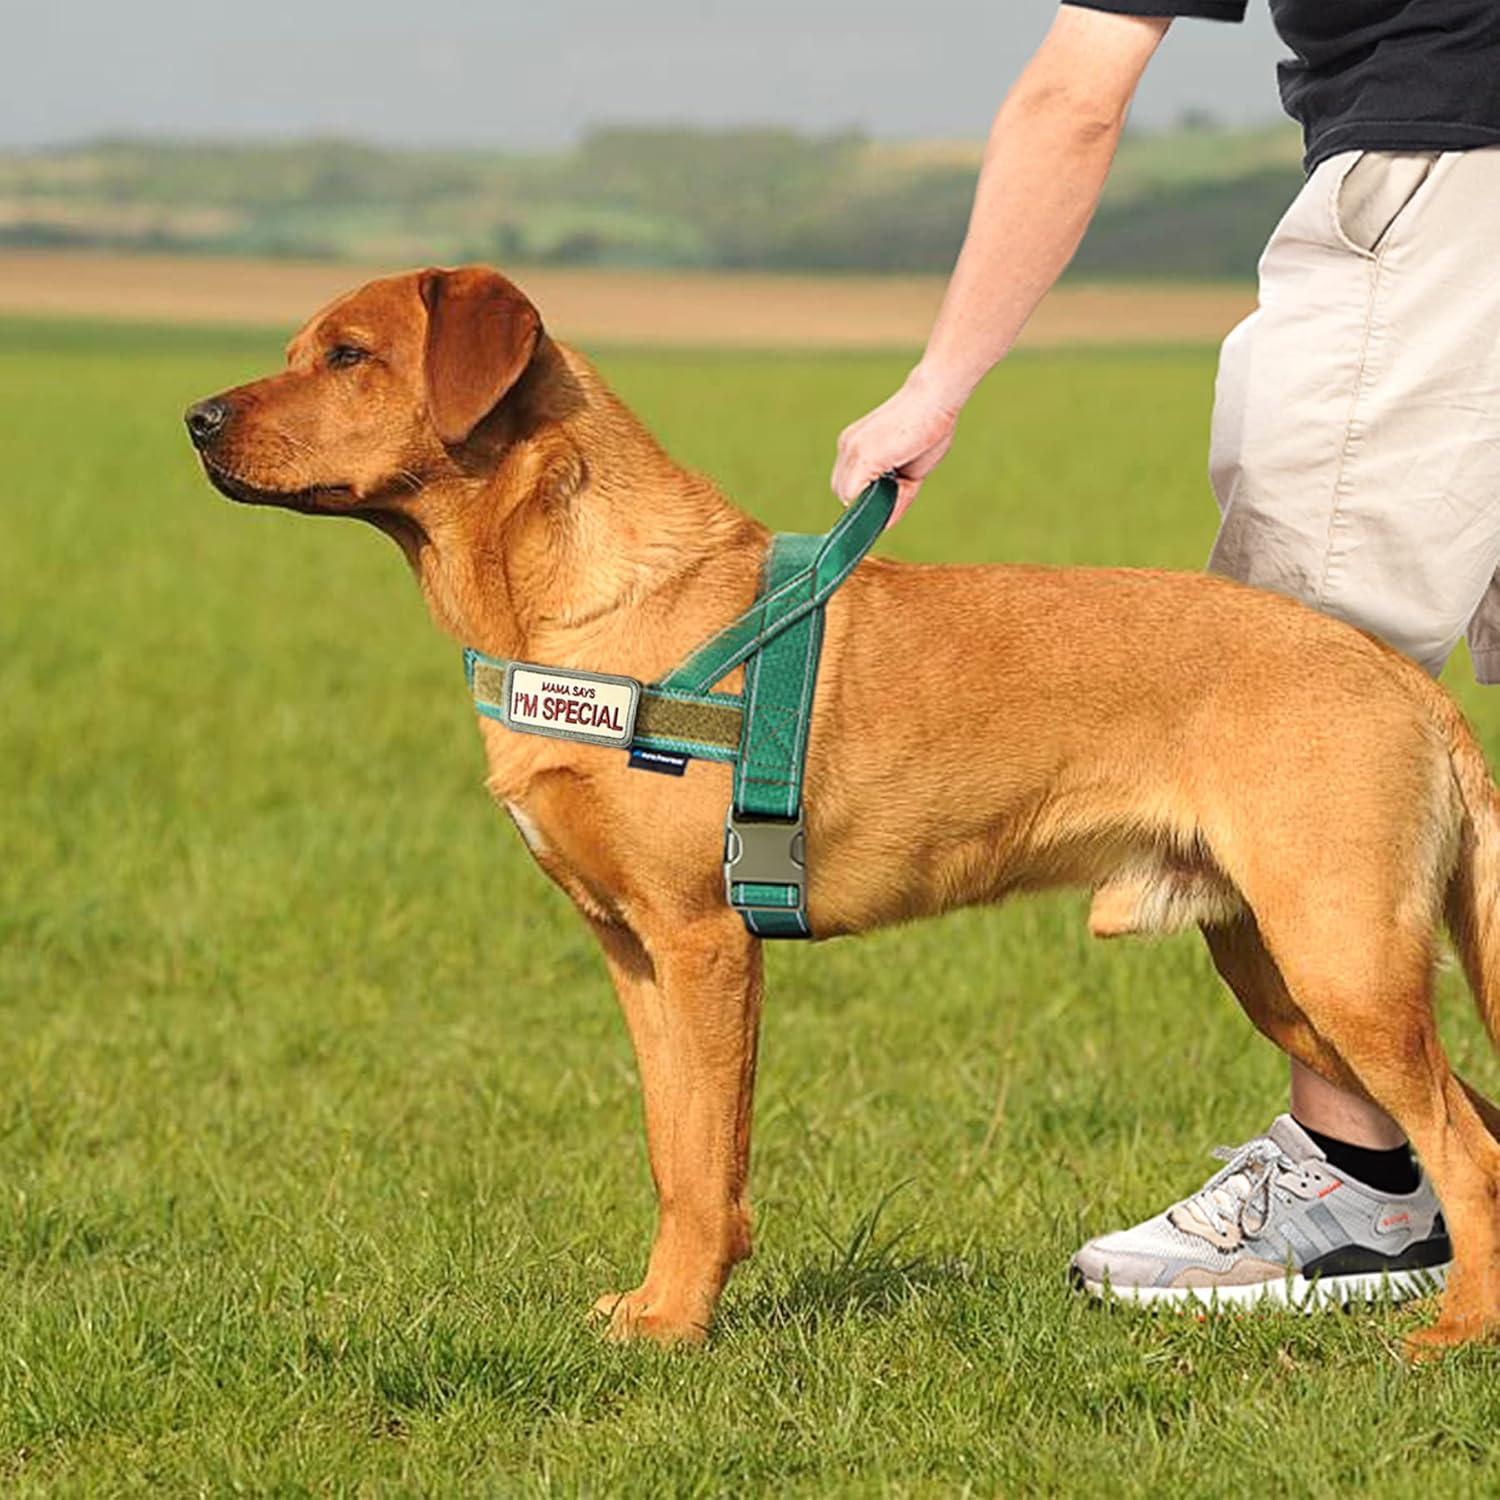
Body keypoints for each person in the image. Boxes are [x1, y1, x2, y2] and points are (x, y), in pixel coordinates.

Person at [832, 0, 1500, 1305]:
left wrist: (939, 380)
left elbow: (1078, 88)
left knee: (1287, 713)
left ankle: (1358, 1190)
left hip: (1437, 186)